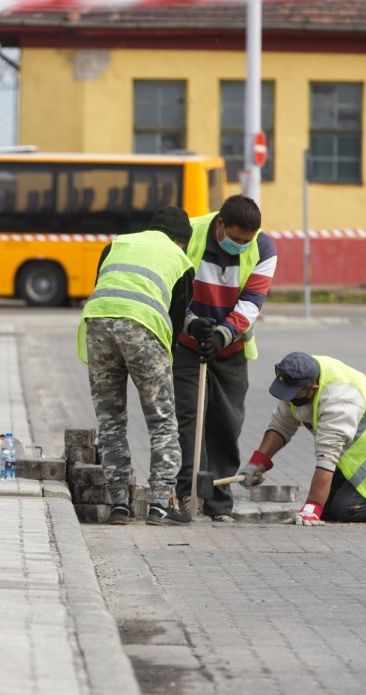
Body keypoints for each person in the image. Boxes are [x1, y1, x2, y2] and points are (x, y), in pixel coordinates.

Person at [77, 206, 195, 526]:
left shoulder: (116, 244)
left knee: (111, 421)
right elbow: (177, 318)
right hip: (142, 329)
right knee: (162, 420)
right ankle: (159, 503)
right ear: (181, 241)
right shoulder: (181, 259)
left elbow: (107, 287)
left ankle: (118, 504)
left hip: (98, 325)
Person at [173, 195, 277, 522]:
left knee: (226, 423)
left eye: (246, 241)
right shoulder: (188, 233)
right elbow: (171, 289)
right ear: (220, 225)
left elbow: (251, 302)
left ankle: (219, 504)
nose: (241, 246)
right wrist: (191, 322)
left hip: (231, 348)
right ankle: (188, 497)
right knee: (190, 421)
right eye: (235, 239)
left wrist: (222, 335)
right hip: (187, 343)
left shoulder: (264, 248)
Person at [238, 351, 366, 524]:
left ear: (314, 386)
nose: (288, 397)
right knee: (328, 510)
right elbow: (280, 426)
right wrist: (256, 464)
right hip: (365, 453)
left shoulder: (339, 399)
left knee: (348, 509)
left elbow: (327, 458)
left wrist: (311, 508)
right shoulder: (297, 377)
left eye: (294, 393)